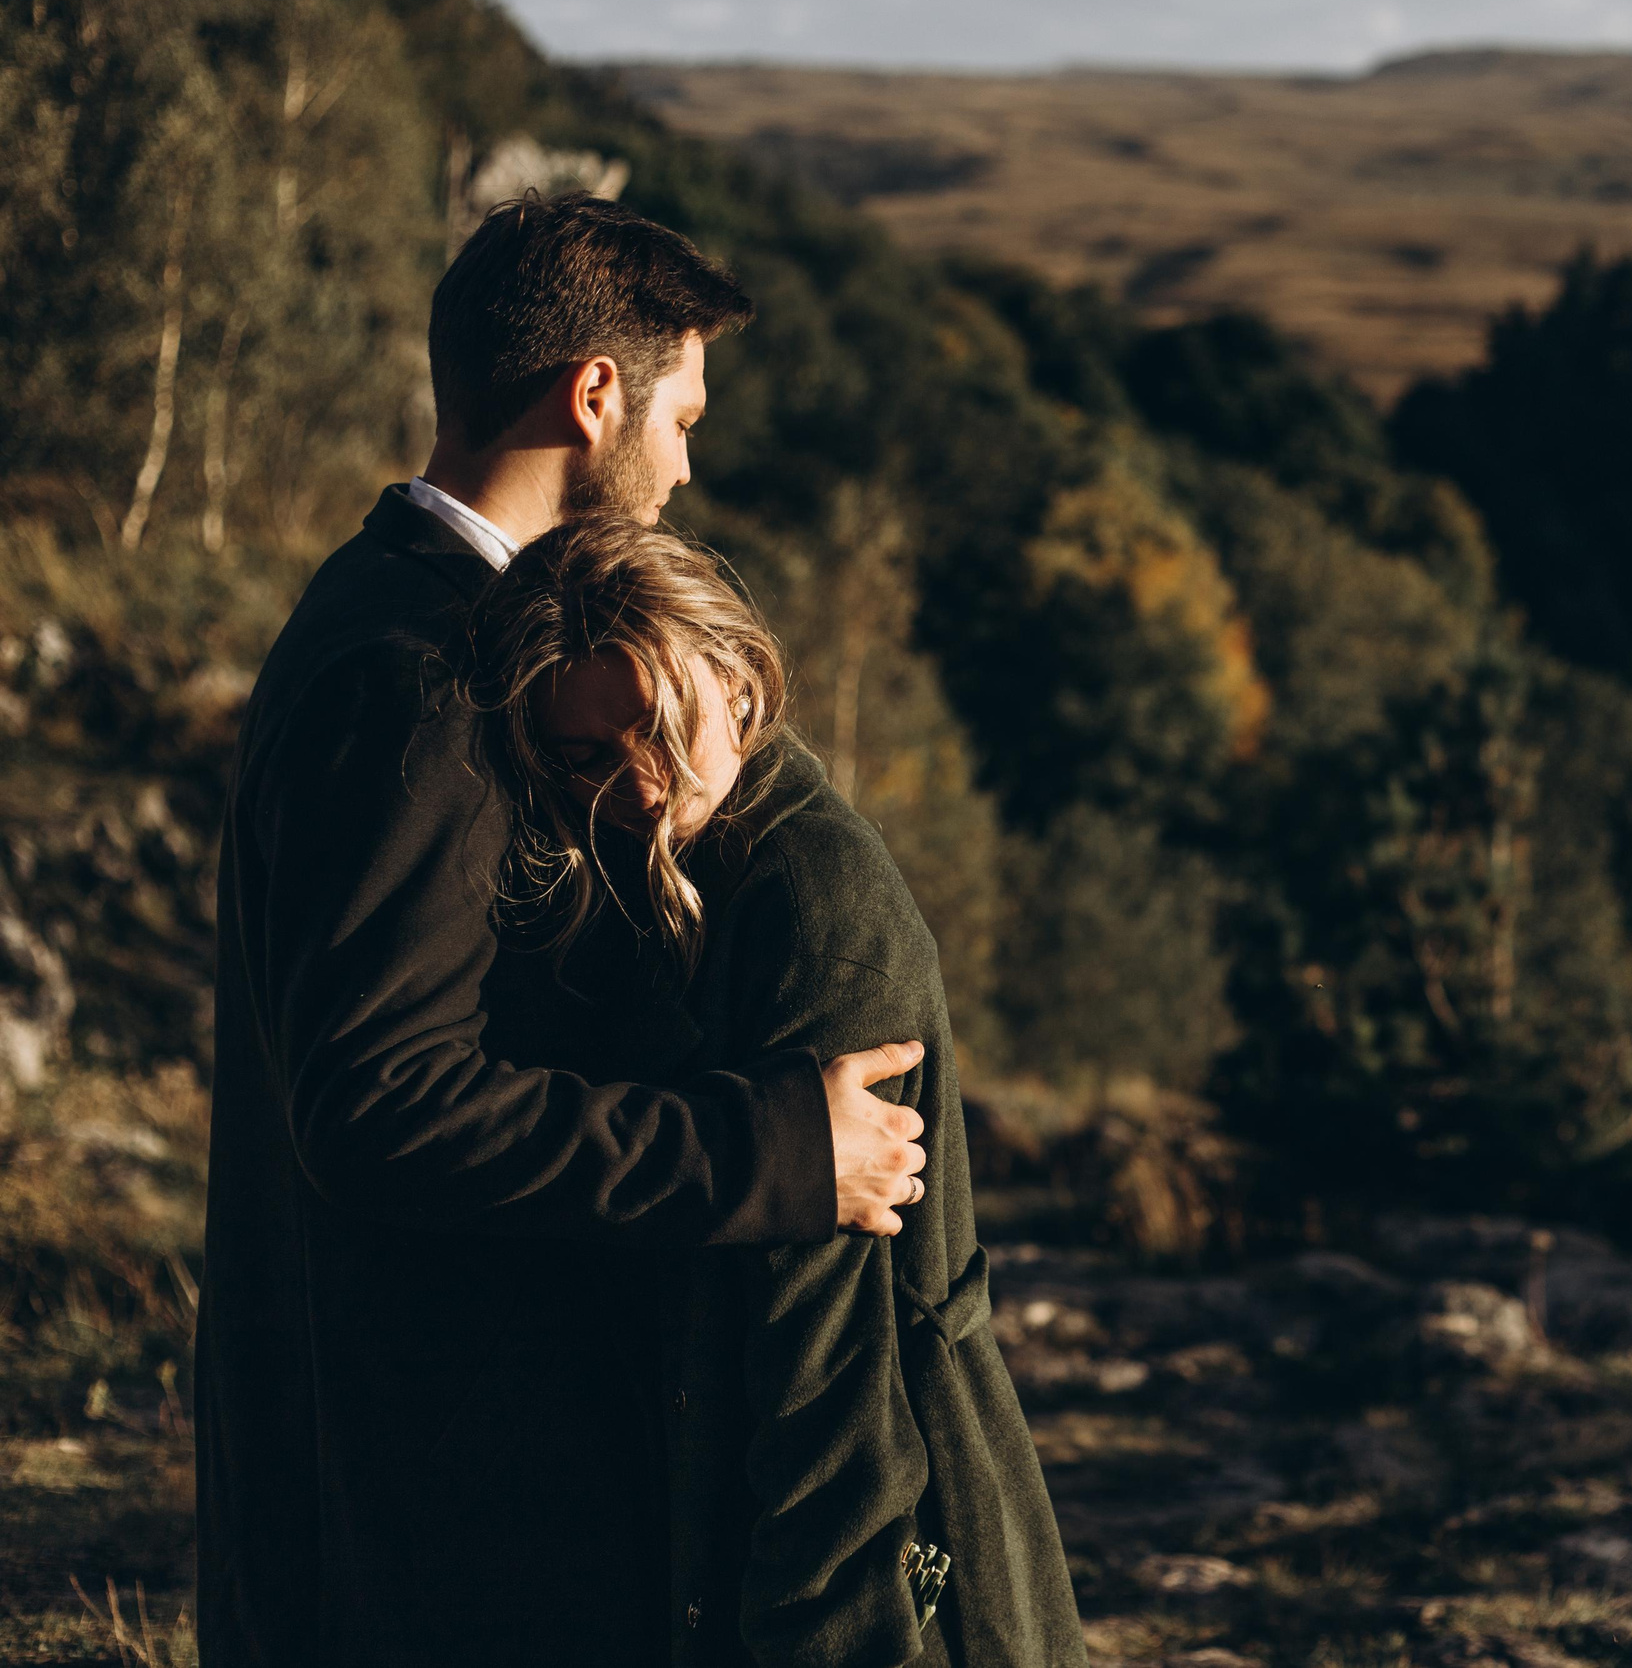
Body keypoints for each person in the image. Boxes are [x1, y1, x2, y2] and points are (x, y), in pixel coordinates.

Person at [198, 194, 934, 1666]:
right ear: (595, 396)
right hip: (430, 1504)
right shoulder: (419, 684)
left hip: (404, 1472)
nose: (682, 463)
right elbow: (379, 1106)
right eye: (683, 414)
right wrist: (771, 1150)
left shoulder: (392, 613)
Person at [465, 513, 1086, 1667]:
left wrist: (832, 1638)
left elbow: (833, 1364)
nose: (640, 788)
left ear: (738, 670)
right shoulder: (676, 869)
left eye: (656, 726)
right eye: (587, 758)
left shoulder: (811, 911)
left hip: (882, 1559)